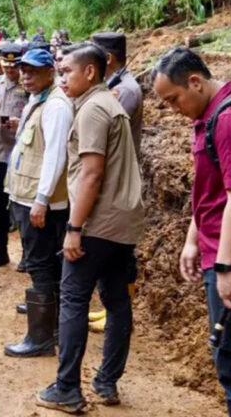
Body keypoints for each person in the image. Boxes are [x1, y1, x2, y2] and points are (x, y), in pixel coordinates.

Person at [152, 48, 231, 417]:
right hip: (227, 255)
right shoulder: (211, 115)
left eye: (174, 99)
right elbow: (213, 191)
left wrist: (226, 267)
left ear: (196, 82)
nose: (173, 109)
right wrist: (193, 240)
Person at [36, 43, 143, 413]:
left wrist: (74, 227)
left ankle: (67, 387)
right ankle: (106, 382)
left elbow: (92, 173)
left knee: (74, 298)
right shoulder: (109, 104)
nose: (62, 78)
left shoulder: (94, 109)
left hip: (97, 223)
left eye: (67, 71)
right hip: (123, 223)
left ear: (91, 72)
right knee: (116, 302)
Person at [3, 49, 73, 357]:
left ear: (50, 72)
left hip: (39, 200)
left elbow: (56, 155)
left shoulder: (56, 105)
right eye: (23, 70)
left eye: (33, 71)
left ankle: (41, 336)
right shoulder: (39, 100)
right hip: (28, 195)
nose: (26, 75)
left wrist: (42, 199)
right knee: (45, 263)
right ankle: (53, 326)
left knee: (40, 264)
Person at [88, 31, 144, 333]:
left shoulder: (126, 90)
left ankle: (120, 311)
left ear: (107, 58)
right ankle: (111, 306)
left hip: (121, 180)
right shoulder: (115, 86)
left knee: (122, 249)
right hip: (113, 176)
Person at [0, 43, 27, 269]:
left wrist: (18, 124)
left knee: (21, 206)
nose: (10, 69)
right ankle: (0, 250)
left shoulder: (28, 86)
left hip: (21, 154)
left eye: (14, 65)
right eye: (6, 64)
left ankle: (26, 253)